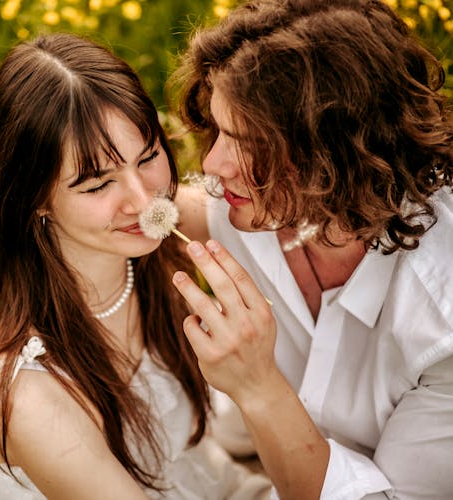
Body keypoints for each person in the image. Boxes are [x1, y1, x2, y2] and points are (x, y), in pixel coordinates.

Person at [0, 33, 271, 499]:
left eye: (149, 157)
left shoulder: (153, 238)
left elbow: (285, 213)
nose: (143, 202)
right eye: (98, 184)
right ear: (32, 196)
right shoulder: (28, 394)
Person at [169, 0, 453, 498]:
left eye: (245, 141)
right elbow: (167, 211)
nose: (213, 163)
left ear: (333, 154)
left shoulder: (441, 318)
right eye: (217, 131)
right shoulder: (262, 205)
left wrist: (256, 385)